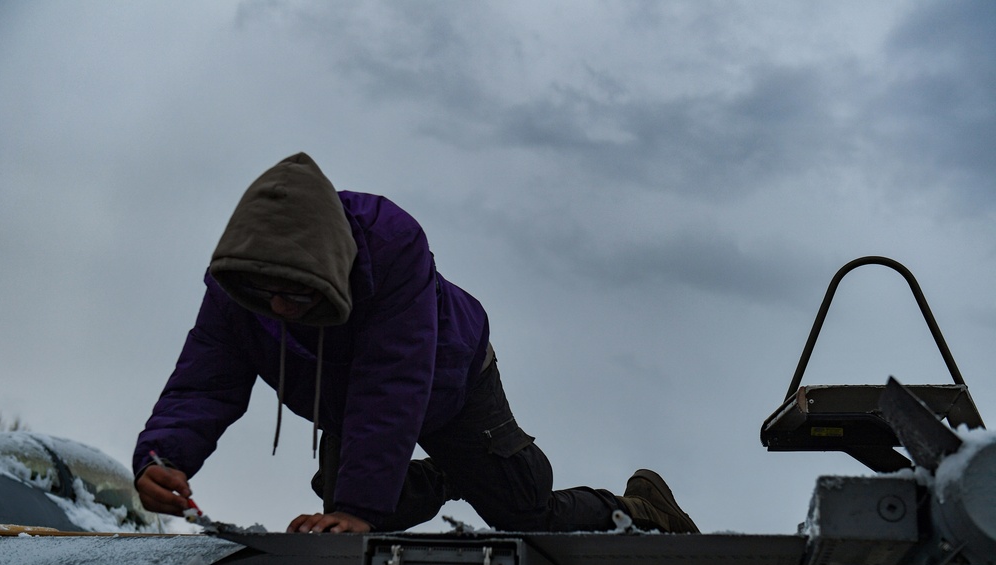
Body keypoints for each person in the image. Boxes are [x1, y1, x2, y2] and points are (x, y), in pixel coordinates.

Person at [133, 153, 699, 535]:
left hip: (451, 379)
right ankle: (454, 474)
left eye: (296, 296)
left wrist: (360, 506)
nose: (278, 308)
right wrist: (163, 458)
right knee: (346, 516)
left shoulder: (393, 245)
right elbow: (203, 381)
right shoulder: (237, 281)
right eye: (266, 294)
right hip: (352, 405)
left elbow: (392, 381)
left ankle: (638, 510)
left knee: (522, 511)